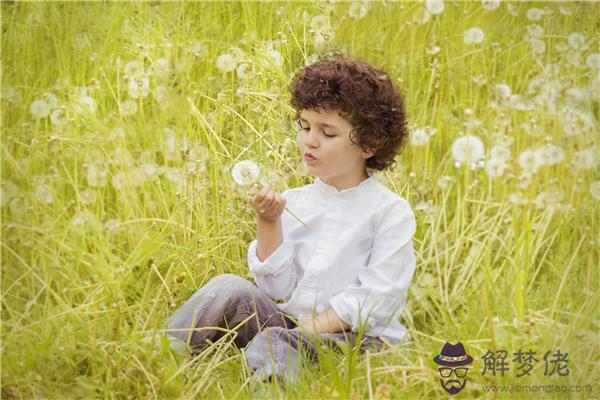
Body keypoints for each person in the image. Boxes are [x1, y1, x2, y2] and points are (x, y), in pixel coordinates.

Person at [165, 56, 416, 383]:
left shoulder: (389, 213)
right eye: (305, 126)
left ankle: (271, 385)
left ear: (370, 144)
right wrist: (268, 221)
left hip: (356, 341)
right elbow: (277, 289)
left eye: (327, 133)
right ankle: (156, 355)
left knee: (277, 341)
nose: (310, 140)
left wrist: (300, 332)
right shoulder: (296, 201)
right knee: (229, 288)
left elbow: (373, 300)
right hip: (293, 326)